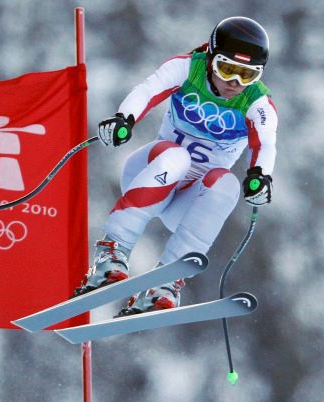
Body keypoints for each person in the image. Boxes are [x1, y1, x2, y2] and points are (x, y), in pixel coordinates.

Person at [73, 16, 277, 316]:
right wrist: (123, 119)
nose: (235, 83)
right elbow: (147, 90)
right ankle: (112, 252)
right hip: (150, 174)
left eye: (247, 75)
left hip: (186, 202)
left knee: (227, 184)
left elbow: (266, 143)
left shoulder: (258, 103)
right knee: (177, 157)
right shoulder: (187, 68)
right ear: (210, 59)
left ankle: (165, 283)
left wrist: (260, 178)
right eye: (227, 69)